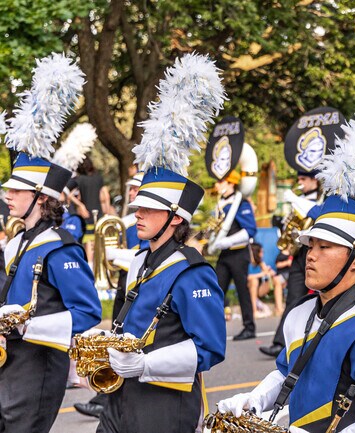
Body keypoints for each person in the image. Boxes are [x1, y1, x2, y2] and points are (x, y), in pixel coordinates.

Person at [95, 52, 228, 433]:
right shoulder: (139, 259)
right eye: (137, 207)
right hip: (121, 397)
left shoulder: (193, 272)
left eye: (148, 210)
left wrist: (145, 364)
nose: (137, 214)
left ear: (175, 218)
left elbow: (210, 348)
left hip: (165, 404)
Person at [218, 195, 355, 432]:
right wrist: (254, 400)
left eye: (324, 247)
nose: (311, 255)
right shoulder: (301, 313)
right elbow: (287, 372)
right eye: (311, 245)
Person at [0, 153, 102, 432]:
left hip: (40, 364)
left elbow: (88, 311)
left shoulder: (60, 248)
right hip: (11, 359)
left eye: (16, 190)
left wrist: (25, 325)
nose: (7, 195)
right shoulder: (16, 243)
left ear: (41, 197)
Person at [73, 171, 148, 419]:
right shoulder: (128, 218)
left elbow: (147, 257)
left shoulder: (146, 219)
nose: (132, 194)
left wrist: (116, 256)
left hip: (139, 282)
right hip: (126, 281)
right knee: (114, 339)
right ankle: (104, 395)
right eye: (131, 190)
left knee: (124, 342)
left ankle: (105, 399)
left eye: (136, 189)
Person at [259, 172, 323, 357]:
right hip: (299, 253)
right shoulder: (298, 201)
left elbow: (319, 215)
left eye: (303, 179)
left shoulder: (322, 197)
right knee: (293, 300)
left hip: (319, 250)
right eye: (299, 179)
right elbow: (288, 227)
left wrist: (295, 200)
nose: (300, 183)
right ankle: (281, 344)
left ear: (314, 180)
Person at [208, 170, 258, 340]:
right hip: (225, 254)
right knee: (216, 290)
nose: (217, 184)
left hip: (239, 253)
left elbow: (250, 230)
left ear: (231, 183)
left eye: (220, 181)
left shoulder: (241, 203)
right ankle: (212, 328)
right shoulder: (221, 203)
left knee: (242, 291)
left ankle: (249, 327)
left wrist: (228, 241)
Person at [248, 242, 279, 318]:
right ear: (256, 252)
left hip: (258, 290)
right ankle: (254, 311)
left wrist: (270, 272)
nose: (262, 254)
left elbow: (268, 272)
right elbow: (246, 277)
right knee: (254, 281)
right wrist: (262, 274)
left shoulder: (260, 263)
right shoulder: (248, 263)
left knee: (276, 279)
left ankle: (279, 309)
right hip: (248, 289)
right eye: (261, 252)